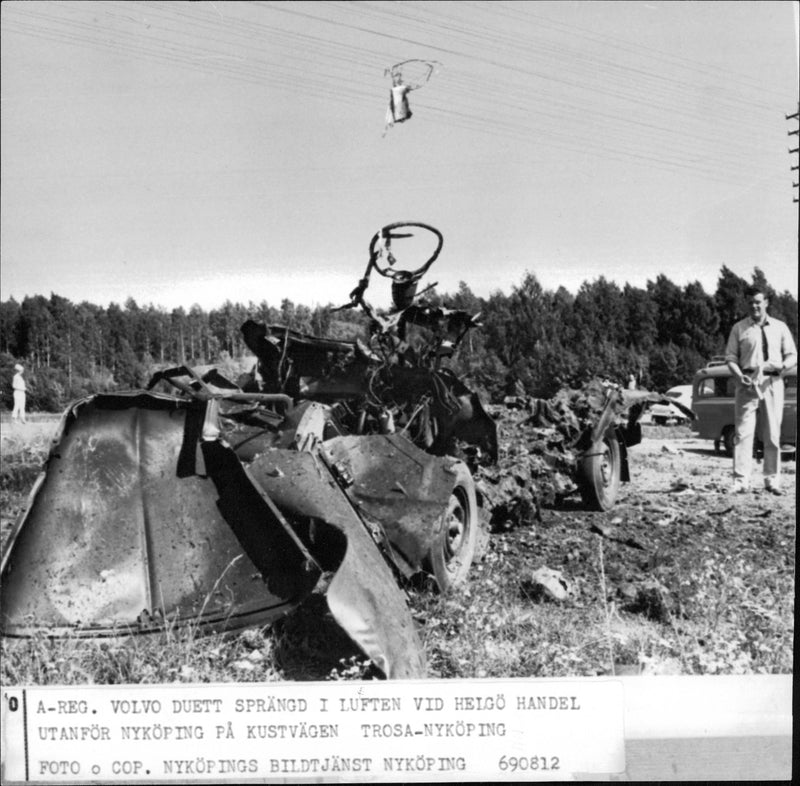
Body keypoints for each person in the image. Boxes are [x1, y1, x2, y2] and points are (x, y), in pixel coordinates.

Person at [724, 285, 797, 494]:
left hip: (773, 383)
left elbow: (792, 355)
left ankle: (771, 480)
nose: (754, 306)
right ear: (746, 304)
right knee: (743, 434)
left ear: (766, 303)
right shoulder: (739, 328)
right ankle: (741, 481)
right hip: (746, 384)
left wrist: (783, 366)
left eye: (758, 302)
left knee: (773, 433)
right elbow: (730, 357)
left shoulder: (780, 327)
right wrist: (739, 376)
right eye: (750, 302)